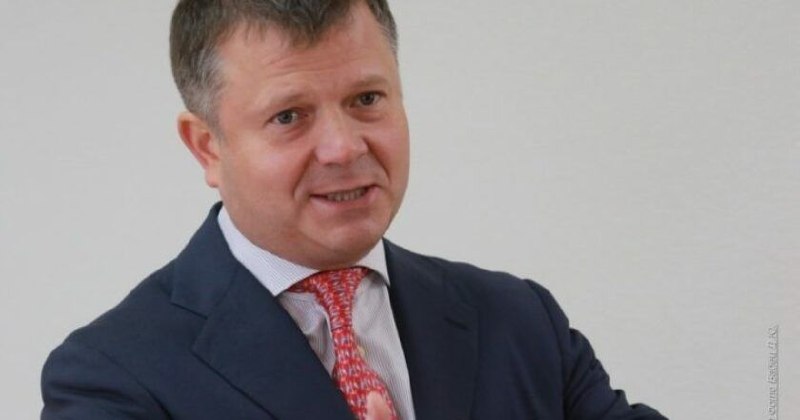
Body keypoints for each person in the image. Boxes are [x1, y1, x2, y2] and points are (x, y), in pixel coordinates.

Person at [41, 1, 667, 419]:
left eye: (367, 99)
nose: (344, 148)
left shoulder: (520, 320)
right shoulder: (112, 376)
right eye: (289, 116)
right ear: (208, 146)